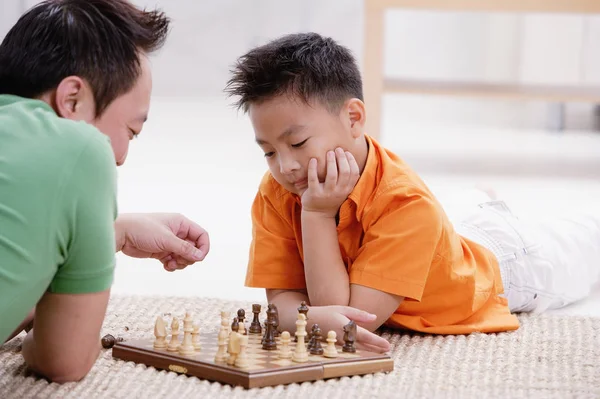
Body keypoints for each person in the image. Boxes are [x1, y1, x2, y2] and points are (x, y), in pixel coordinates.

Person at [225, 32, 600, 353]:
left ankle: (482, 206)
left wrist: (318, 215)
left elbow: (351, 317)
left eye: (299, 142)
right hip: (438, 234)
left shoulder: (406, 204)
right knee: (449, 217)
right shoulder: (278, 190)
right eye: (269, 152)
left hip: (509, 264)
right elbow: (281, 302)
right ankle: (475, 200)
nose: (285, 166)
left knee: (588, 239)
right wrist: (304, 315)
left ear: (354, 118)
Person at [0, 0, 209, 383]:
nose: (121, 157)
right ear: (72, 100)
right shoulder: (80, 148)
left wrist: (113, 230)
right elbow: (63, 360)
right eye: (130, 130)